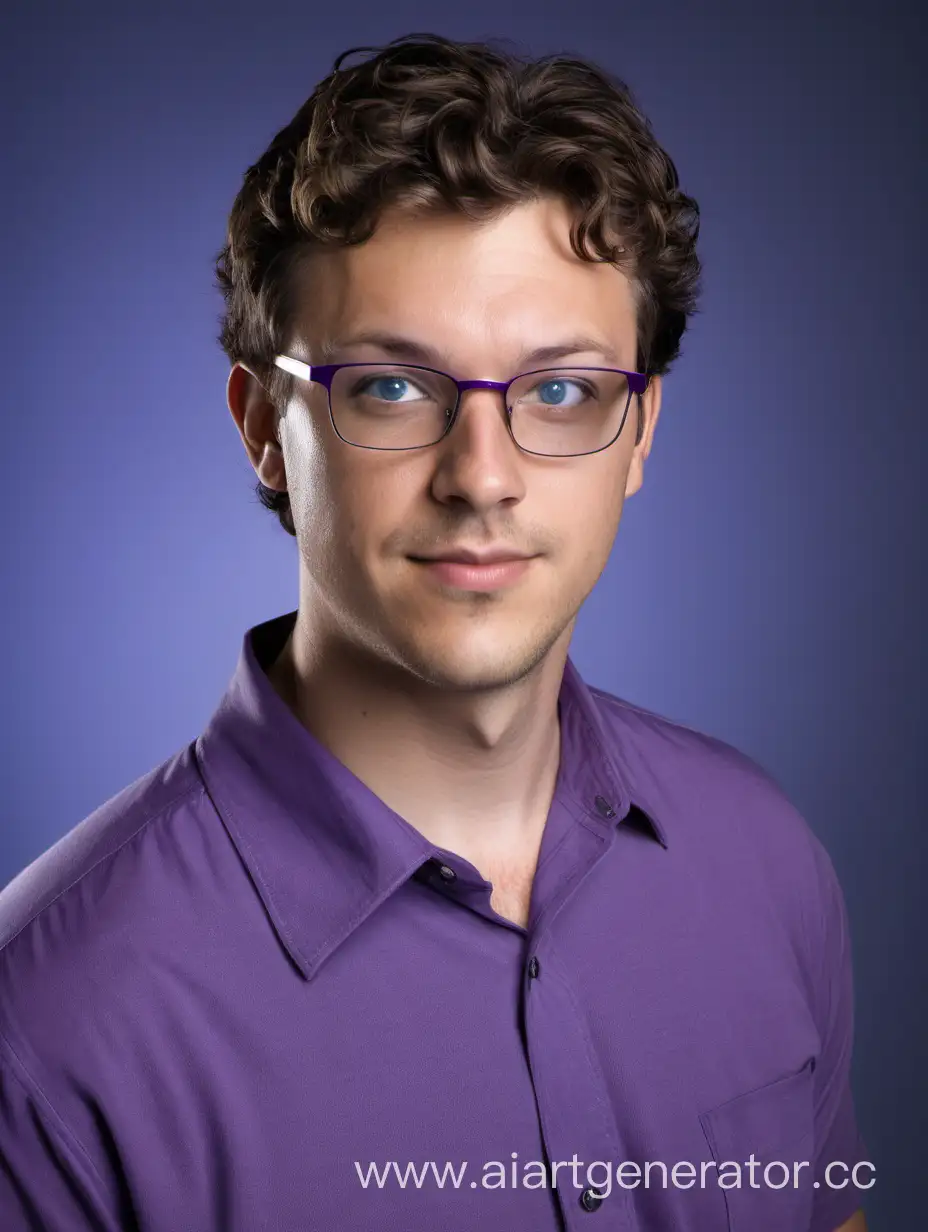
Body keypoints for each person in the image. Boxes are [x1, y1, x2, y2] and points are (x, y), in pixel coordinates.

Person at [0, 32, 869, 1232]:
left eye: (560, 389)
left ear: (641, 432)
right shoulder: (43, 1028)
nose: (484, 476)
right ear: (264, 424)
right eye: (393, 388)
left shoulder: (766, 863)